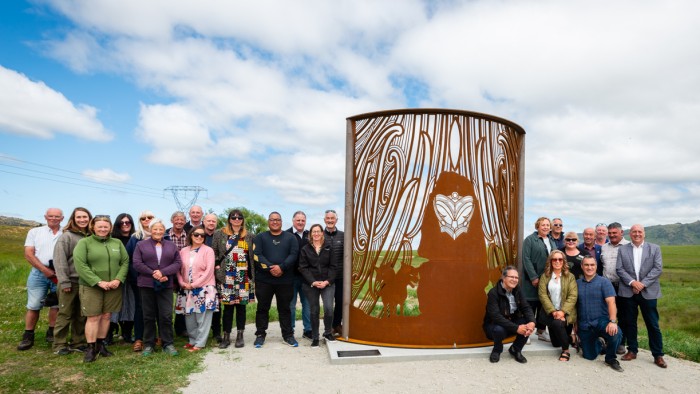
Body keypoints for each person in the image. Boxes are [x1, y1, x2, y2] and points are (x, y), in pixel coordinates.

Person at [73, 215, 129, 362]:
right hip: (92, 286)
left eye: (106, 226)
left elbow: (125, 261)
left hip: (113, 286)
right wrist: (98, 281)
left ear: (110, 227)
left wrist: (118, 279)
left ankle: (101, 344)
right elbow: (80, 265)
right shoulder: (84, 243)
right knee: (93, 317)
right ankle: (91, 348)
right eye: (100, 227)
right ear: (93, 227)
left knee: (106, 316)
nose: (103, 229)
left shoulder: (116, 243)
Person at [616, 224, 667, 368]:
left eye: (639, 232)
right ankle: (632, 350)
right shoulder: (622, 249)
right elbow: (619, 269)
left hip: (648, 292)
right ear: (630, 234)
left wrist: (642, 284)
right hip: (628, 291)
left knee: (652, 324)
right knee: (629, 322)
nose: (637, 234)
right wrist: (633, 282)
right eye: (634, 232)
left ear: (644, 234)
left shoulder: (654, 248)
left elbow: (657, 269)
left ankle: (658, 355)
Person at [133, 219, 182, 356]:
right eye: (155, 229)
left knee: (166, 315)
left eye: (161, 229)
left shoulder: (171, 246)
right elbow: (137, 263)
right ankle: (149, 344)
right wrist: (153, 273)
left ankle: (168, 343)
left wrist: (164, 272)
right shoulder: (141, 245)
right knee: (148, 316)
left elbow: (178, 262)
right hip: (147, 284)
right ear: (150, 230)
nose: (158, 231)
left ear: (164, 230)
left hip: (166, 284)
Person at [17, 208, 63, 351]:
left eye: (57, 216)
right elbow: (29, 254)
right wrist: (45, 270)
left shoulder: (66, 232)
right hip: (39, 272)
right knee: (34, 304)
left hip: (59, 273)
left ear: (62, 218)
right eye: (51, 216)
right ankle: (28, 335)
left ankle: (52, 332)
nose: (53, 218)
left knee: (56, 304)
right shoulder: (35, 232)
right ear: (45, 217)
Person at [253, 212, 299, 348]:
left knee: (285, 309)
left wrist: (282, 267)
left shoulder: (291, 238)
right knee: (262, 308)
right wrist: (271, 268)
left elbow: (294, 255)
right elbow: (256, 255)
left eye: (277, 220)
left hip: (285, 280)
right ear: (268, 221)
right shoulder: (260, 237)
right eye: (272, 220)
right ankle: (260, 335)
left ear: (281, 222)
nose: (275, 222)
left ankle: (288, 335)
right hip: (264, 280)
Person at [212, 209, 255, 348]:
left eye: (239, 217)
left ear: (242, 220)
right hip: (226, 275)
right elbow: (214, 252)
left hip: (243, 276)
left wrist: (252, 276)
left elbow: (252, 256)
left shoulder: (249, 235)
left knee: (241, 307)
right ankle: (226, 336)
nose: (236, 219)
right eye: (233, 217)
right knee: (228, 307)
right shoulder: (220, 233)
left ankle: (240, 335)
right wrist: (217, 267)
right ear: (229, 219)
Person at [52, 207, 92, 355]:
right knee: (65, 313)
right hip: (70, 281)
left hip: (86, 282)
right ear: (73, 219)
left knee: (81, 314)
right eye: (79, 217)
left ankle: (78, 341)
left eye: (85, 217)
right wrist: (64, 281)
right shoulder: (67, 237)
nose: (82, 220)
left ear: (89, 218)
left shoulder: (91, 236)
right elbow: (60, 260)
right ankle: (59, 344)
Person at [576, 256, 623, 372]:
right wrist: (574, 327)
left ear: (596, 266)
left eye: (592, 265)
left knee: (616, 334)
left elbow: (611, 302)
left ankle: (611, 358)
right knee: (589, 356)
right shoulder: (577, 283)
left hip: (601, 321)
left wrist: (612, 322)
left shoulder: (604, 282)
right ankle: (600, 344)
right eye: (586, 265)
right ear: (582, 266)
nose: (589, 267)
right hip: (584, 324)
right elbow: (574, 306)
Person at [176, 226, 219, 352]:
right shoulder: (183, 251)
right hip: (186, 289)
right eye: (196, 234)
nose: (199, 237)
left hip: (203, 289)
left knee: (203, 317)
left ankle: (200, 343)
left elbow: (209, 271)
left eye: (202, 235)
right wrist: (181, 282)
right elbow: (178, 269)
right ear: (191, 235)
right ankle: (192, 340)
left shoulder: (208, 251)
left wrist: (194, 285)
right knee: (189, 317)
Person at [483, 266, 535, 363]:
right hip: (495, 325)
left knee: (527, 324)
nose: (515, 280)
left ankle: (516, 349)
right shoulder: (493, 293)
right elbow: (496, 317)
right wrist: (516, 328)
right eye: (512, 277)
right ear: (503, 277)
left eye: (516, 278)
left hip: (511, 321)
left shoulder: (517, 290)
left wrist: (532, 322)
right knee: (499, 330)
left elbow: (526, 307)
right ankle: (497, 350)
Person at [299, 224, 339, 347]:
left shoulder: (329, 247)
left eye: (318, 231)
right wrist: (313, 282)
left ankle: (327, 332)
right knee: (314, 310)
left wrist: (327, 281)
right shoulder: (305, 249)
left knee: (328, 308)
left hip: (327, 283)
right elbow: (303, 268)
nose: (316, 234)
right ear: (311, 234)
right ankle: (315, 337)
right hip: (311, 284)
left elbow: (334, 267)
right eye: (313, 232)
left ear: (322, 233)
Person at [521, 216, 556, 343]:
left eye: (548, 225)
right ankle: (527, 332)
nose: (546, 227)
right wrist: (533, 277)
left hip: (547, 279)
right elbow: (526, 259)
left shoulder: (552, 241)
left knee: (544, 305)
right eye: (543, 225)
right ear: (537, 226)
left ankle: (541, 331)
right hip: (532, 279)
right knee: (530, 305)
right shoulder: (530, 240)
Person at [538, 250, 577, 361]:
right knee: (555, 344)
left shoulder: (570, 277)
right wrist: (553, 311)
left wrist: (562, 311)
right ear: (550, 261)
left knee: (557, 324)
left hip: (566, 314)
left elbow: (573, 296)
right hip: (551, 313)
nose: (557, 261)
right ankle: (572, 339)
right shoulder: (545, 276)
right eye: (554, 259)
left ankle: (566, 351)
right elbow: (542, 295)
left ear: (563, 261)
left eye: (560, 259)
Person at [125, 210, 155, 352]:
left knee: (159, 308)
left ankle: (157, 336)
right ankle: (139, 338)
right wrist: (137, 275)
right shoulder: (135, 238)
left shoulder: (163, 236)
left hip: (159, 279)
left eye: (150, 217)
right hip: (139, 279)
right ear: (140, 221)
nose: (147, 220)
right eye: (143, 218)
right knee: (141, 308)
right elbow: (128, 259)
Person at [600, 222, 630, 355]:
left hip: (623, 284)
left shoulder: (628, 246)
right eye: (610, 233)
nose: (612, 235)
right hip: (607, 284)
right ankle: (609, 340)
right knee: (607, 314)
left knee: (623, 315)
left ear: (621, 233)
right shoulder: (604, 247)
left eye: (614, 233)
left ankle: (621, 343)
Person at [108, 213, 136, 344]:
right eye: (122, 222)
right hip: (114, 277)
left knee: (130, 305)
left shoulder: (136, 238)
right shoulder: (111, 239)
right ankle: (108, 334)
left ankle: (127, 333)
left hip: (131, 277)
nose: (125, 224)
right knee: (113, 306)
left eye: (128, 222)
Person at [287, 211, 311, 340]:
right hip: (290, 277)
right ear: (293, 220)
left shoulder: (310, 235)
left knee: (307, 304)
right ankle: (290, 330)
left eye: (302, 220)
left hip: (306, 278)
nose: (300, 222)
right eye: (298, 220)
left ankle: (308, 330)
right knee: (291, 305)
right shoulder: (286, 234)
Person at [165, 211, 188, 340]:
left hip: (184, 272)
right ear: (172, 220)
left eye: (181, 220)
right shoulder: (165, 234)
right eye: (176, 219)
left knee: (182, 301)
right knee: (167, 303)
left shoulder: (189, 235)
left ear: (185, 221)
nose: (179, 222)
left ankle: (181, 328)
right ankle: (166, 330)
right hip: (167, 272)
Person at [324, 209, 344, 337]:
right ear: (324, 220)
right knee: (328, 304)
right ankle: (329, 327)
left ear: (336, 220)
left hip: (341, 276)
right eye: (328, 218)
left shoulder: (343, 235)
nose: (330, 220)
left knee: (340, 301)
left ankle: (337, 325)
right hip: (326, 276)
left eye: (333, 218)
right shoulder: (320, 235)